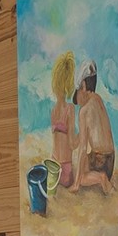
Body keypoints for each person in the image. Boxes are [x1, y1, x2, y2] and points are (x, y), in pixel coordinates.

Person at [75, 61, 117, 194]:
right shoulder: (98, 100)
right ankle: (102, 177)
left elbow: (82, 148)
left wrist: (76, 183)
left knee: (80, 176)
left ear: (82, 85)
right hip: (110, 160)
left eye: (76, 92)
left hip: (100, 162)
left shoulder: (84, 111)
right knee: (84, 160)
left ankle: (101, 179)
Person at [48, 52, 78, 189]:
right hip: (65, 171)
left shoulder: (53, 111)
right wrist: (83, 135)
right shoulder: (70, 109)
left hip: (53, 166)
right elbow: (72, 144)